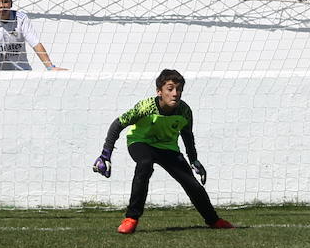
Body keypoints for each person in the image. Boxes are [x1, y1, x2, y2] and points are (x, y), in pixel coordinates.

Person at [92, 68, 234, 234]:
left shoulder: (185, 111)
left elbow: (187, 136)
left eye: (179, 89)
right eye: (170, 89)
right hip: (141, 142)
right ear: (159, 91)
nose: (175, 93)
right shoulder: (145, 107)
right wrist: (105, 154)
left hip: (168, 148)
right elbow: (118, 124)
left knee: (191, 183)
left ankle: (214, 220)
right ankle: (131, 218)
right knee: (145, 164)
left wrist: (193, 159)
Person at [0, 0, 65, 71]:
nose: (2, 5)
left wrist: (50, 67)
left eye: (5, 1)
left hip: (22, 72)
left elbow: (35, 42)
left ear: (11, 3)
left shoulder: (21, 18)